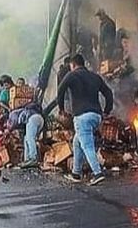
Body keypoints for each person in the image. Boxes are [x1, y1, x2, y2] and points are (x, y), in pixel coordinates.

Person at [57, 54, 114, 186]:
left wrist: (61, 108)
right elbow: (108, 93)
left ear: (73, 65)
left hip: (82, 117)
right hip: (96, 116)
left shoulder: (72, 75)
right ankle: (76, 173)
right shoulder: (95, 76)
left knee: (87, 145)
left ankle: (97, 173)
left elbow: (60, 90)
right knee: (77, 142)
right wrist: (106, 111)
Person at [6, 102, 44, 168]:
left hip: (33, 119)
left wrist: (9, 130)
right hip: (40, 120)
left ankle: (33, 158)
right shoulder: (22, 111)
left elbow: (14, 123)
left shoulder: (12, 115)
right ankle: (27, 159)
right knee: (26, 138)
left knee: (30, 138)